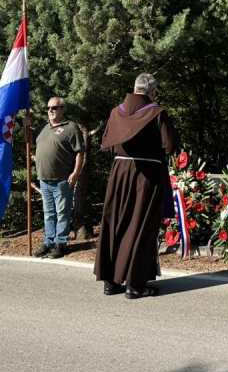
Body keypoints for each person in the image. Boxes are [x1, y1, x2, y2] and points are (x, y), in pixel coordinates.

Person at [94, 73, 180, 299]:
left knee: (115, 222)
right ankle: (135, 284)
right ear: (153, 92)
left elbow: (107, 144)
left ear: (134, 89)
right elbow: (170, 146)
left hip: (119, 173)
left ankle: (110, 282)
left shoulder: (116, 112)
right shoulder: (157, 113)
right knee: (141, 225)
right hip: (146, 175)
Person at [26, 97, 84, 259]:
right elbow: (30, 143)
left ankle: (61, 243)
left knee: (62, 213)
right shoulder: (42, 127)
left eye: (54, 107)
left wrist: (76, 173)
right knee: (49, 213)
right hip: (44, 179)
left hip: (62, 179)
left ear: (63, 109)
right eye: (48, 108)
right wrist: (26, 126)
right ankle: (48, 242)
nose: (50, 110)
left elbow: (79, 152)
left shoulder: (71, 127)